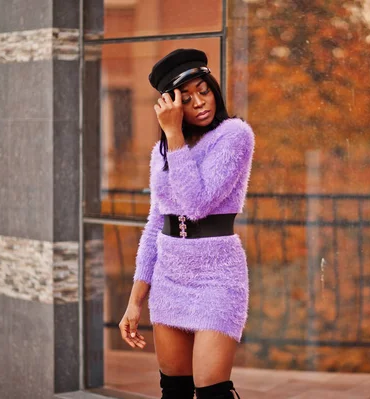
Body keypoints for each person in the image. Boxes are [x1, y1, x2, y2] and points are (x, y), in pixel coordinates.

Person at [118, 48, 254, 399]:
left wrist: (174, 135)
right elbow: (154, 224)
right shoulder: (161, 153)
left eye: (203, 90)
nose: (199, 102)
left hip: (217, 277)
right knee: (174, 391)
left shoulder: (234, 135)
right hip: (169, 277)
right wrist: (135, 300)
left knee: (212, 391)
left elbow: (196, 205)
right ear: (171, 104)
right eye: (186, 97)